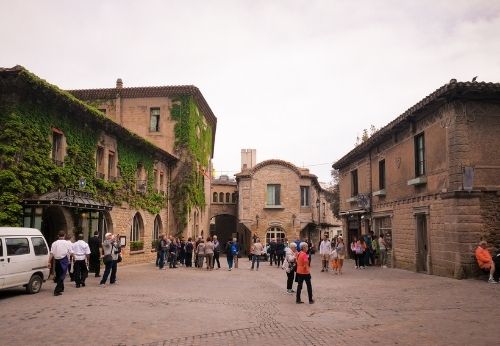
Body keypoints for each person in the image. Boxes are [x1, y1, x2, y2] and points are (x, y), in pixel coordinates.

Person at [48, 231, 73, 296]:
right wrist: (74, 258)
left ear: (58, 236)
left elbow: (52, 253)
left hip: (56, 260)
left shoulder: (54, 243)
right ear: (64, 235)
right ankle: (57, 290)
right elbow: (71, 252)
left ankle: (61, 288)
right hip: (64, 259)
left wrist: (49, 261)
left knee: (59, 274)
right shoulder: (67, 243)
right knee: (62, 275)